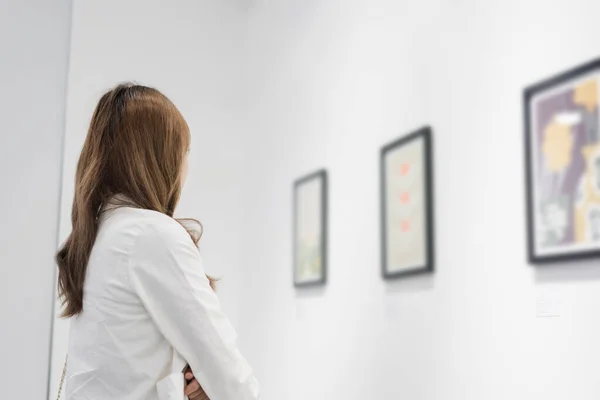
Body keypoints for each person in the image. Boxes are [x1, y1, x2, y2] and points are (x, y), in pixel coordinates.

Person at [56, 83, 260, 399]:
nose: (185, 166)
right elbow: (231, 379)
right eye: (184, 152)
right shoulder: (150, 234)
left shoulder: (100, 233)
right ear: (160, 157)